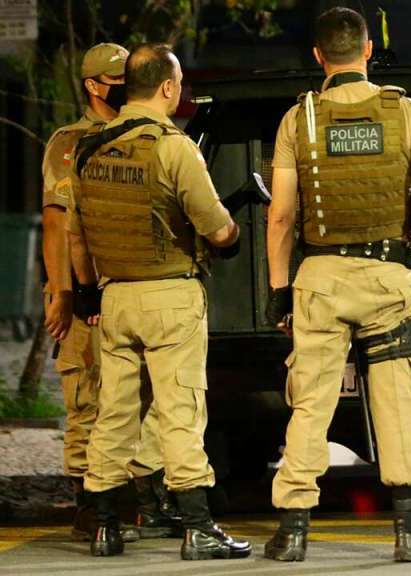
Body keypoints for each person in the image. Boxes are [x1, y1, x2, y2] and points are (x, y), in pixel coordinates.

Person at [261, 7, 411, 563]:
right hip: (386, 278)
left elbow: (280, 217)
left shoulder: (297, 120)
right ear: (368, 50)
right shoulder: (405, 112)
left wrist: (279, 290)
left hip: (319, 280)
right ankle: (410, 528)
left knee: (311, 402)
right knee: (395, 401)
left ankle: (292, 531)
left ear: (319, 56)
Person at [67, 43, 250, 560]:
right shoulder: (173, 147)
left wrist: (85, 295)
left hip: (114, 295)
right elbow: (217, 229)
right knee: (181, 410)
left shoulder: (86, 148)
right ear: (168, 87)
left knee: (113, 413)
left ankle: (104, 525)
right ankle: (198, 526)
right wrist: (232, 235)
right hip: (170, 295)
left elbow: (76, 238)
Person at [40, 42, 178, 542]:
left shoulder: (145, 132)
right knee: (88, 395)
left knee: (140, 396)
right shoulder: (71, 141)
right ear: (93, 86)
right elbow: (56, 226)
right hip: (84, 291)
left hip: (129, 285)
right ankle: (88, 503)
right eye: (114, 81)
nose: (122, 89)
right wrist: (63, 292)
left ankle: (142, 499)